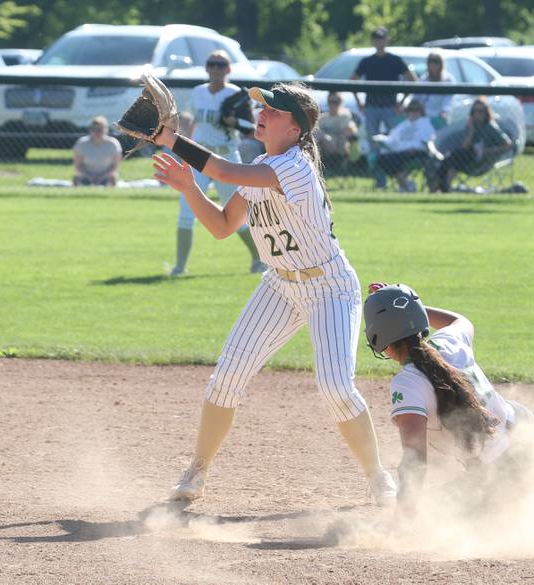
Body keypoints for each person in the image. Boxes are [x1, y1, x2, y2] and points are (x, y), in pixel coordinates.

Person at [149, 82, 397, 505]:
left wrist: (171, 138)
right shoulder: (263, 164)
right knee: (226, 377)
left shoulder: (295, 168)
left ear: (296, 128)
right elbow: (224, 227)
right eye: (262, 106)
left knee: (336, 386)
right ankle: (197, 471)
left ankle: (377, 476)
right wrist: (190, 188)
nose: (262, 112)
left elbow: (224, 171)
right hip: (280, 285)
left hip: (329, 287)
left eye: (274, 110)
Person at [362, 282, 534, 507]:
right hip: (528, 432)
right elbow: (460, 321)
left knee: (437, 513)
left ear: (378, 336)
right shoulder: (449, 341)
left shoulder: (407, 384)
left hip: (501, 472)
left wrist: (403, 520)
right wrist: (411, 309)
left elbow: (414, 461)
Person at [169, 50, 264, 277]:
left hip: (227, 157)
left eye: (221, 65)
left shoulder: (236, 95)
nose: (215, 69)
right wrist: (184, 147)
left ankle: (259, 260)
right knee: (185, 211)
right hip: (199, 156)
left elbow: (250, 127)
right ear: (206, 68)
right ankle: (180, 267)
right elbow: (191, 121)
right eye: (211, 64)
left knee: (237, 215)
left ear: (228, 69)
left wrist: (234, 121)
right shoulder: (198, 92)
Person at [350, 26, 416, 189]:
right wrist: (359, 102)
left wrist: (401, 103)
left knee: (395, 142)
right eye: (376, 38)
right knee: (374, 145)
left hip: (390, 108)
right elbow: (352, 81)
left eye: (382, 38)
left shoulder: (395, 60)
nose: (379, 42)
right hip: (372, 107)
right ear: (373, 41)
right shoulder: (367, 61)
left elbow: (412, 80)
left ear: (387, 40)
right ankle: (380, 181)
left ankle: (401, 179)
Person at [435, 99, 513, 193]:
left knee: (453, 159)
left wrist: (487, 151)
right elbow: (465, 147)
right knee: (453, 161)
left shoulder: (490, 127)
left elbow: (508, 145)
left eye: (480, 111)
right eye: (474, 111)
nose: (477, 114)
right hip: (466, 157)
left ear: (486, 113)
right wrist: (471, 132)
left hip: (483, 159)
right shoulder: (471, 126)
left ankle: (442, 187)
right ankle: (442, 188)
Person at [373, 100, 435, 192]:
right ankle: (406, 184)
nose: (413, 113)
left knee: (395, 160)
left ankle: (406, 186)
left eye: (416, 110)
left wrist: (417, 148)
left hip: (417, 152)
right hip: (399, 151)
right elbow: (392, 139)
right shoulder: (404, 124)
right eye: (410, 110)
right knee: (382, 159)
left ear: (421, 112)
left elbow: (429, 140)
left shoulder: (425, 123)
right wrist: (380, 140)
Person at [314, 92, 358, 174]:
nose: (333, 104)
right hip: (327, 146)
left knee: (346, 131)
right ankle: (317, 168)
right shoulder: (322, 118)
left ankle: (341, 164)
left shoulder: (345, 116)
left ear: (341, 103)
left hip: (341, 146)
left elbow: (347, 131)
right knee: (317, 134)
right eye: (331, 102)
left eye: (336, 102)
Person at [72, 116, 122, 186]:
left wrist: (102, 177)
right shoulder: (82, 143)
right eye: (94, 129)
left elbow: (115, 166)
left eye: (100, 129)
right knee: (76, 178)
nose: (97, 132)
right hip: (86, 176)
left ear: (106, 130)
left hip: (106, 177)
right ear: (90, 130)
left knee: (113, 177)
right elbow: (78, 166)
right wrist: (90, 176)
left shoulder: (113, 144)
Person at [417, 52, 456, 130]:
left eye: (435, 61)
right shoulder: (423, 80)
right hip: (423, 118)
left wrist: (444, 113)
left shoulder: (448, 80)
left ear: (441, 64)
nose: (433, 64)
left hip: (440, 118)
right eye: (430, 61)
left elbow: (448, 100)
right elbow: (416, 98)